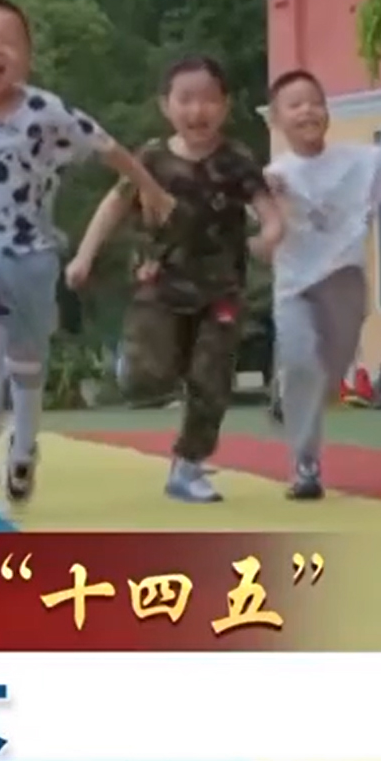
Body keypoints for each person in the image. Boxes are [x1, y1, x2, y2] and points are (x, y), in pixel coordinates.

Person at [0, 0, 176, 498]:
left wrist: (152, 189)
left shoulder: (45, 112)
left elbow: (108, 147)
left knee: (26, 358)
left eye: (8, 42)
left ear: (26, 61)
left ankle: (25, 445)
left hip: (31, 250)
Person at [68, 56, 284, 503]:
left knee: (212, 379)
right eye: (185, 99)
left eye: (208, 99)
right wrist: (84, 257)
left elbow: (269, 212)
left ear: (225, 106)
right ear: (166, 106)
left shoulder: (237, 159)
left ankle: (188, 467)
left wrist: (269, 236)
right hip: (161, 286)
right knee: (147, 378)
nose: (197, 110)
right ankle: (135, 364)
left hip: (221, 290)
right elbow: (113, 205)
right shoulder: (152, 157)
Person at [262, 68, 381, 501]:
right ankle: (305, 465)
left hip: (344, 280)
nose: (307, 111)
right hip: (296, 289)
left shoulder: (359, 161)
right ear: (277, 119)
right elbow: (264, 223)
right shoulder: (273, 175)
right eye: (295, 105)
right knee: (301, 359)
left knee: (330, 374)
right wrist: (268, 199)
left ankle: (293, 399)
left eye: (315, 102)